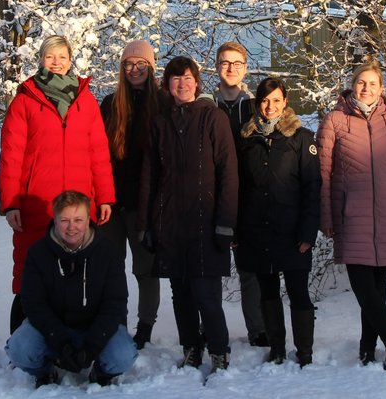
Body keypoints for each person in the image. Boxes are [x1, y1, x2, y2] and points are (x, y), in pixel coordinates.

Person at [0, 35, 115, 335]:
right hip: (37, 202)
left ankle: (72, 338)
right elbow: (11, 155)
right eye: (50, 56)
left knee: (78, 273)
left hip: (79, 205)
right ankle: (24, 343)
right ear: (40, 59)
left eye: (62, 56)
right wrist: (10, 202)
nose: (56, 62)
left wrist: (104, 197)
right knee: (30, 272)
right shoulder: (26, 99)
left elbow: (99, 153)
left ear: (70, 59)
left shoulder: (85, 100)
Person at [317, 61, 386, 371]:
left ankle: (367, 347)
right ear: (352, 85)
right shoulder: (335, 120)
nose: (366, 88)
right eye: (361, 82)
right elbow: (323, 173)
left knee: (377, 290)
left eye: (372, 83)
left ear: (381, 88)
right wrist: (327, 216)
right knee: (364, 288)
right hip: (352, 217)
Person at [137, 56, 238, 372]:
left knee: (206, 296)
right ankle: (191, 347)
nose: (181, 84)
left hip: (205, 223)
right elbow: (149, 176)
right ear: (167, 85)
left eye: (187, 78)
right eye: (175, 79)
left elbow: (228, 172)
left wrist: (225, 222)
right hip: (170, 225)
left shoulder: (213, 117)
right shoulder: (161, 123)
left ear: (197, 81)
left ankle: (219, 351)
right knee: (180, 295)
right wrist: (145, 224)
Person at [5, 191, 137, 387]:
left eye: (78, 220)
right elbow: (34, 304)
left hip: (94, 327)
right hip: (53, 329)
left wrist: (92, 347)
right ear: (55, 219)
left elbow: (115, 303)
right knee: (20, 349)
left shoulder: (108, 252)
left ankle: (101, 374)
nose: (71, 227)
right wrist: (61, 344)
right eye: (64, 220)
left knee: (124, 355)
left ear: (88, 219)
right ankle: (44, 372)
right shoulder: (38, 253)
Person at [233, 77, 321, 366]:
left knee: (298, 293)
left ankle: (305, 351)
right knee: (267, 293)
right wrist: (236, 229)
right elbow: (237, 187)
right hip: (257, 231)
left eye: (276, 100)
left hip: (292, 231)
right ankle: (278, 349)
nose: (270, 106)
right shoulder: (245, 139)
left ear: (285, 102)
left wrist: (308, 231)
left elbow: (312, 188)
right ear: (258, 103)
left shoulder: (301, 138)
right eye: (265, 100)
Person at [98, 39, 164, 350]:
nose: (134, 69)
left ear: (151, 68)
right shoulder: (110, 104)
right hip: (111, 203)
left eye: (141, 64)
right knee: (112, 266)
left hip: (146, 204)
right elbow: (98, 155)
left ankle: (146, 326)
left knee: (145, 268)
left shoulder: (163, 103)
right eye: (129, 64)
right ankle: (116, 321)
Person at [213, 41, 266, 348]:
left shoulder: (256, 108)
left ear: (245, 68)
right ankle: (212, 329)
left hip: (249, 200)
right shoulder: (206, 105)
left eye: (236, 63)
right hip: (213, 198)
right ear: (217, 67)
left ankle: (257, 329)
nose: (230, 68)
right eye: (225, 63)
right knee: (211, 270)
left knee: (250, 269)